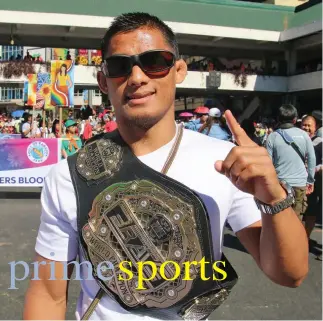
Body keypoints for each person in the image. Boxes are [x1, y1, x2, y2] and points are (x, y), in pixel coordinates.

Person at [24, 12, 308, 321]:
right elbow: (47, 292)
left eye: (155, 61)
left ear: (179, 70)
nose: (137, 77)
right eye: (120, 66)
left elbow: (289, 274)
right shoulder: (69, 175)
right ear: (103, 80)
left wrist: (273, 196)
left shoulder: (225, 162)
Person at [266, 104, 316, 221]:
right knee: (296, 220)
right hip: (299, 184)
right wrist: (310, 180)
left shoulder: (272, 137)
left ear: (278, 119)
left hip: (280, 185)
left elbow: (268, 163)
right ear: (295, 119)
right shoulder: (304, 135)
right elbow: (312, 158)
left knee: (280, 220)